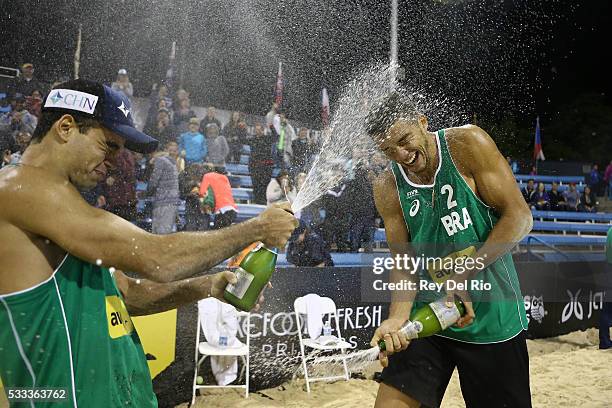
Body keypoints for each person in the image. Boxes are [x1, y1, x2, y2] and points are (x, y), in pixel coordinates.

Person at [0, 79, 297, 407]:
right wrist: (256, 228)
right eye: (108, 145)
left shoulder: (67, 209)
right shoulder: (17, 188)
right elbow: (157, 258)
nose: (116, 159)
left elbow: (126, 295)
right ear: (66, 127)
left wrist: (206, 286)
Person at [366, 91, 532, 408]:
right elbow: (403, 260)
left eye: (404, 140)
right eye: (389, 150)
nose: (401, 154)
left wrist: (463, 273)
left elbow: (520, 217)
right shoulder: (387, 184)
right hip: (429, 316)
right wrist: (396, 318)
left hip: (490, 318)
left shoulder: (468, 144)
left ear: (422, 122)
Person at [147, 141, 180, 234]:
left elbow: (154, 180)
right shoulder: (173, 163)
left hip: (163, 201)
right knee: (164, 231)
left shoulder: (161, 160)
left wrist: (147, 193)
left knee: (158, 231)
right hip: (171, 201)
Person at [100, 147, 137, 221]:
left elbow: (123, 169)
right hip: (126, 198)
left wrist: (111, 178)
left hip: (116, 198)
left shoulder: (118, 153)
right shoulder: (126, 153)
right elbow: (128, 171)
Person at [199, 164, 238, 229]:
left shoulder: (207, 176)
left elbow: (202, 192)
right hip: (232, 210)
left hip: (221, 211)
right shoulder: (224, 177)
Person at [247, 122, 275, 205]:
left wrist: (271, 126)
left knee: (264, 185)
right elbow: (242, 139)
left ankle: (263, 202)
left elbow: (276, 136)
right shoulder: (252, 139)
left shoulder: (267, 138)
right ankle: (257, 202)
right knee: (256, 185)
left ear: (263, 130)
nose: (257, 131)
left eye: (259, 130)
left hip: (265, 167)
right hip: (255, 166)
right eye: (256, 130)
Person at [599, 227, 612, 350]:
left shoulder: (609, 231)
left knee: (607, 308)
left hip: (608, 269)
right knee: (607, 310)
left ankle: (604, 340)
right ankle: (604, 341)